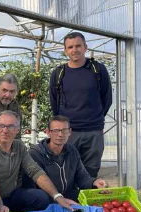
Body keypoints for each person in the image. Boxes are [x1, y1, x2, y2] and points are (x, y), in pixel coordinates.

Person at [0, 111, 78, 212]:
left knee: (41, 197)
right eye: (1, 126)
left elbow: (35, 171)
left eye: (10, 126)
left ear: (17, 130)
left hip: (8, 196)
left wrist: (58, 196)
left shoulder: (19, 146)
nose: (5, 130)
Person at [49, 32, 112, 178]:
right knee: (66, 170)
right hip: (68, 133)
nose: (74, 50)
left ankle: (85, 200)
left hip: (93, 132)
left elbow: (107, 98)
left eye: (78, 46)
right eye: (70, 47)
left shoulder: (98, 70)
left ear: (85, 47)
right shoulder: (59, 74)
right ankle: (69, 201)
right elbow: (54, 103)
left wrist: (96, 119)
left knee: (91, 171)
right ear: (65, 51)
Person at [22, 115, 108, 201]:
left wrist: (94, 182)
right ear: (48, 132)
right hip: (45, 201)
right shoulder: (35, 154)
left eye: (64, 130)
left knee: (98, 196)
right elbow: (31, 188)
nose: (60, 134)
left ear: (70, 132)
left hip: (69, 197)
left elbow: (83, 178)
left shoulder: (72, 151)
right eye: (56, 130)